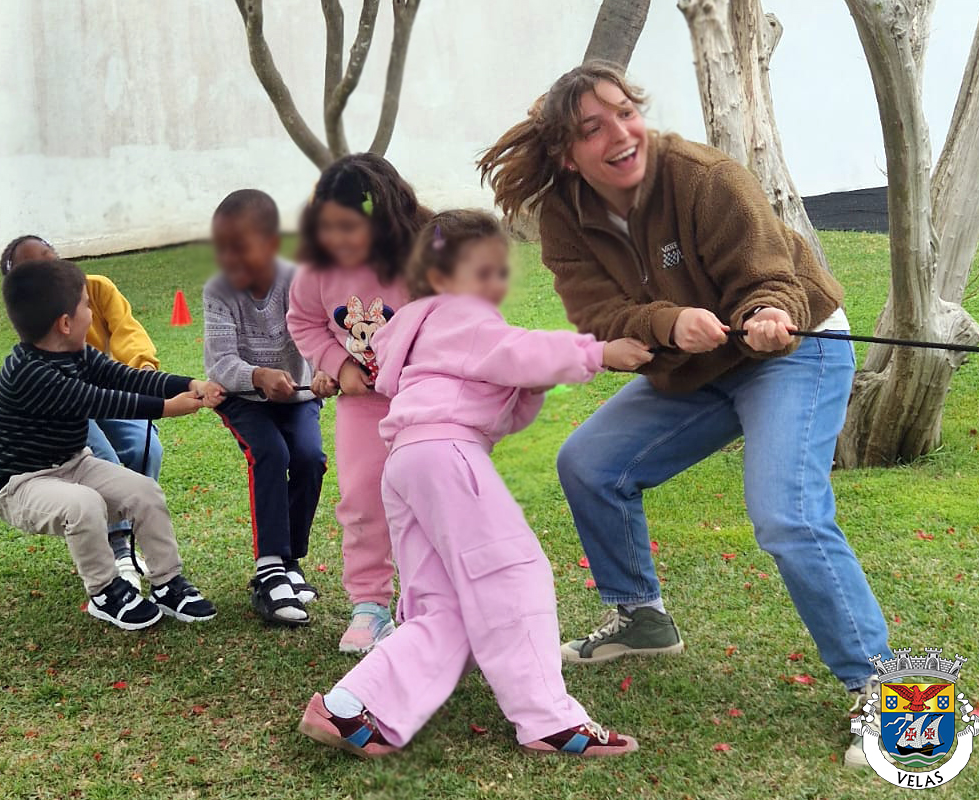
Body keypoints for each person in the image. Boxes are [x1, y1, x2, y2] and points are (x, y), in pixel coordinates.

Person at [477, 62, 891, 767]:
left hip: (794, 351)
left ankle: (882, 687)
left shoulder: (704, 177)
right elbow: (598, 315)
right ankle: (641, 617)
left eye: (624, 112)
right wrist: (667, 323)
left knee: (787, 516)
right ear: (566, 154)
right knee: (589, 464)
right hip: (696, 366)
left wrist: (768, 313)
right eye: (592, 128)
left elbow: (770, 276)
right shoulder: (564, 217)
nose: (619, 134)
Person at [299, 210, 651, 758]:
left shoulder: (417, 326)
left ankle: (351, 706)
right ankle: (548, 719)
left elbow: (504, 390)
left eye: (499, 270)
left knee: (448, 609)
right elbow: (517, 352)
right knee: (514, 574)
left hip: (409, 462)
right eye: (481, 270)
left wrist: (530, 385)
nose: (495, 283)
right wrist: (599, 353)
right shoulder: (460, 313)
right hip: (447, 457)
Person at [0, 259, 223, 631]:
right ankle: (105, 591)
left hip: (73, 463)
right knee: (84, 504)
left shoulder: (77, 354)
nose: (92, 313)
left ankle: (167, 582)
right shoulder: (29, 373)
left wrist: (190, 384)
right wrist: (167, 408)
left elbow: (124, 378)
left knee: (144, 492)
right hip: (22, 485)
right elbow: (102, 401)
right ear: (65, 323)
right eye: (86, 305)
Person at [286, 154, 430, 654]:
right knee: (362, 499)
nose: (337, 240)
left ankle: (431, 603)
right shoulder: (317, 269)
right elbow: (304, 321)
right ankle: (370, 606)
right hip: (362, 406)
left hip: (426, 401)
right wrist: (338, 364)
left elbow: (460, 317)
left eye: (349, 228)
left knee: (430, 495)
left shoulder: (424, 256)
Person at [0, 236, 164, 589]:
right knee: (102, 459)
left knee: (145, 447)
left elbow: (127, 331)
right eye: (33, 267)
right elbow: (78, 396)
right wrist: (168, 404)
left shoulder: (97, 288)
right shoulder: (34, 330)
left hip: (110, 392)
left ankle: (136, 544)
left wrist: (144, 366)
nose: (48, 268)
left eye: (50, 257)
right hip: (68, 406)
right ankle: (118, 550)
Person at [203, 189, 335, 627]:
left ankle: (290, 561)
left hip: (298, 394)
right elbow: (220, 363)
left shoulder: (298, 281)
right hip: (242, 397)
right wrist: (259, 376)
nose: (231, 258)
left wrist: (324, 370)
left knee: (309, 458)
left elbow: (318, 335)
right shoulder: (218, 290)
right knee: (271, 453)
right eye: (223, 247)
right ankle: (269, 570)